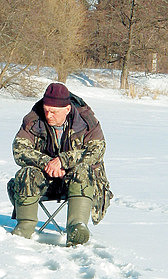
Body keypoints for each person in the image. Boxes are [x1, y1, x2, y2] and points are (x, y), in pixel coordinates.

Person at [7, 82, 113, 246]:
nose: (49, 115)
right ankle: (24, 228)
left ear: (67, 109)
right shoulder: (33, 120)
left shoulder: (88, 123)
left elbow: (96, 152)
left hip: (78, 182)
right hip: (44, 180)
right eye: (46, 109)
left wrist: (64, 161)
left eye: (54, 112)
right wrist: (47, 163)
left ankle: (77, 228)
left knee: (84, 170)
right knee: (26, 173)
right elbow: (19, 150)